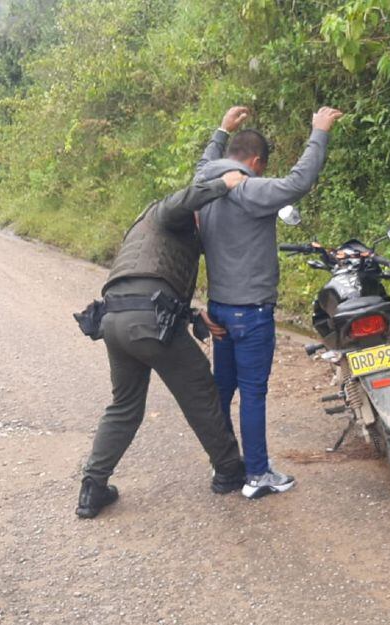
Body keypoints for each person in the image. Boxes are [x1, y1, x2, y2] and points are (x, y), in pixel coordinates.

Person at [75, 170, 251, 518]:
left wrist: (192, 317)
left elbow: (153, 284)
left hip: (115, 320)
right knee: (200, 389)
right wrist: (223, 184)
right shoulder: (166, 212)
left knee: (124, 407)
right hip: (146, 324)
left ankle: (92, 487)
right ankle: (229, 470)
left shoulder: (144, 232)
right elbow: (181, 201)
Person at [194, 105, 343, 499]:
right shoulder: (249, 188)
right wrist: (319, 132)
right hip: (251, 313)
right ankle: (257, 474)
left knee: (222, 390)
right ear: (256, 163)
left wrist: (220, 129)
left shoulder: (203, 183)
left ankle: (224, 466)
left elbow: (205, 160)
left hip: (220, 309)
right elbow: (298, 182)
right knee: (252, 392)